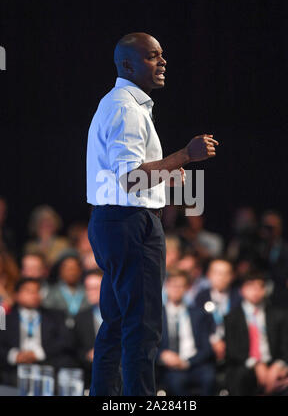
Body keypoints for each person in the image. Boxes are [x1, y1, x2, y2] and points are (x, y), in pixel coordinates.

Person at [86, 31, 219, 396]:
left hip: (116, 222)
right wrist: (185, 155)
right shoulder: (126, 108)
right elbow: (129, 179)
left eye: (161, 55)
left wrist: (164, 179)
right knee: (142, 326)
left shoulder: (121, 104)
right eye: (152, 56)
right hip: (131, 225)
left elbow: (129, 176)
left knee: (116, 323)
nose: (162, 62)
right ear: (127, 64)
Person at [224, 272, 288, 396]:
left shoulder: (278, 315)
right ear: (242, 290)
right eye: (251, 286)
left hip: (273, 363)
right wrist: (256, 364)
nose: (256, 291)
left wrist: (278, 366)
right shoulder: (231, 318)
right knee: (241, 378)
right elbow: (232, 350)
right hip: (245, 364)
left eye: (260, 286)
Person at [0, 278, 71, 386]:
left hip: (47, 369)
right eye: (28, 291)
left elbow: (65, 341)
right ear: (16, 295)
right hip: (13, 372)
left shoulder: (55, 316)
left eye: (37, 291)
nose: (34, 295)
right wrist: (14, 356)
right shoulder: (4, 319)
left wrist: (38, 353)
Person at [157, 271, 215, 396]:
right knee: (176, 382)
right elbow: (149, 347)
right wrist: (162, 355)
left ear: (187, 289)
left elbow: (207, 349)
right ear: (166, 287)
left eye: (181, 286)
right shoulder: (156, 315)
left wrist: (187, 362)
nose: (176, 290)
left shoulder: (198, 314)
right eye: (173, 286)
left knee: (209, 378)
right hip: (169, 367)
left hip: (194, 364)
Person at [194, 258, 241, 362]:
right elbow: (198, 325)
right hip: (208, 346)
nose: (221, 277)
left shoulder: (239, 297)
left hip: (233, 347)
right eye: (217, 273)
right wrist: (214, 340)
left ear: (232, 276)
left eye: (226, 273)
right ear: (208, 275)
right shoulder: (201, 297)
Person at [73, 269, 104, 388]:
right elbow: (74, 350)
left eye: (95, 288)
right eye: (88, 288)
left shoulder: (123, 316)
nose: (90, 292)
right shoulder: (80, 318)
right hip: (89, 375)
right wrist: (87, 355)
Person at [42, 254, 89, 328]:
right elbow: (47, 312)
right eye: (68, 269)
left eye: (74, 269)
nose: (71, 273)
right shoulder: (52, 292)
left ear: (80, 271)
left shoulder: (87, 291)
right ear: (61, 271)